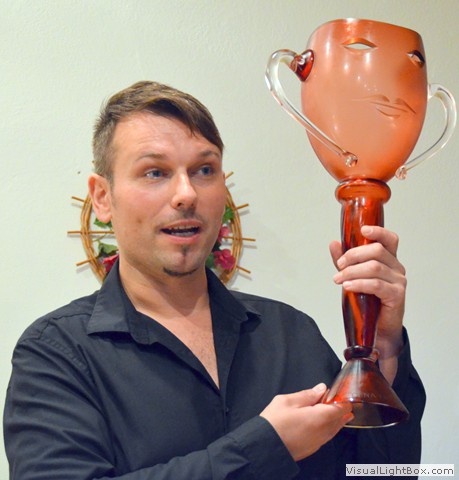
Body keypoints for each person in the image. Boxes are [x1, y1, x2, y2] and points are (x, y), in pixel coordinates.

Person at [4, 81, 425, 479]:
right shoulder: (56, 353)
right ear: (102, 197)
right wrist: (265, 448)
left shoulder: (292, 334)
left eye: (204, 169)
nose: (186, 193)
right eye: (154, 172)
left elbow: (386, 473)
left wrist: (384, 347)